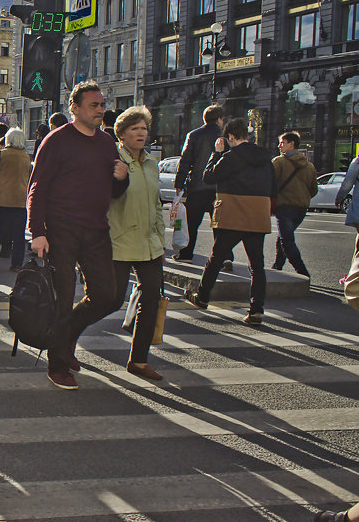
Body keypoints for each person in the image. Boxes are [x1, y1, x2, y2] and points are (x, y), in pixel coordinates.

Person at [27, 80, 130, 390]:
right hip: (61, 229)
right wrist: (38, 232)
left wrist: (123, 179)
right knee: (63, 296)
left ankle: (66, 335)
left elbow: (113, 192)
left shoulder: (105, 143)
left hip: (96, 229)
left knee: (108, 296)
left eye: (101, 105)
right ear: (74, 108)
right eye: (94, 105)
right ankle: (57, 365)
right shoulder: (57, 141)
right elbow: (37, 187)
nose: (100, 110)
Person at [184, 117, 275, 325]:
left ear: (231, 137)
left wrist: (216, 153)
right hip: (257, 213)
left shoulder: (231, 156)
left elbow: (208, 176)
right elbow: (273, 185)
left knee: (216, 258)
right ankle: (256, 309)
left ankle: (203, 296)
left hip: (233, 212)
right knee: (257, 265)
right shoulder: (264, 158)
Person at [107, 107, 166, 381]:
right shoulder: (112, 161)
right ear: (121, 134)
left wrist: (161, 239)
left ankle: (139, 360)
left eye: (144, 129)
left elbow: (156, 204)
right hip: (118, 240)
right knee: (109, 299)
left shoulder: (152, 165)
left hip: (149, 244)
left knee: (151, 299)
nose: (141, 134)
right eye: (135, 129)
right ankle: (66, 338)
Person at [174, 104, 226, 261]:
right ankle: (223, 257)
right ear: (219, 119)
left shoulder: (194, 135)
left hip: (197, 186)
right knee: (220, 225)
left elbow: (185, 161)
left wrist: (179, 183)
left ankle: (186, 253)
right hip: (219, 188)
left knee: (191, 224)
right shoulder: (225, 136)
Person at [271, 131, 317, 278]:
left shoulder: (279, 162)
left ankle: (302, 273)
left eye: (282, 143)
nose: (279, 146)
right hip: (301, 209)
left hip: (284, 207)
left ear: (292, 144)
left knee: (287, 241)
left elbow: (270, 183)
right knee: (284, 237)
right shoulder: (309, 166)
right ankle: (277, 266)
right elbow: (314, 190)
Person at [0, 126, 30, 270]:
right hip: (20, 199)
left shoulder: (1, 154)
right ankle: (16, 263)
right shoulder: (26, 157)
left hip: (2, 197)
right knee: (18, 233)